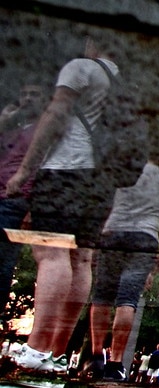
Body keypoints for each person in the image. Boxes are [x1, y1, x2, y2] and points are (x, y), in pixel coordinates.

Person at [6, 31, 119, 373]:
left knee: (51, 252)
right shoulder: (121, 79)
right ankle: (56, 351)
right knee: (81, 258)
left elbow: (55, 117)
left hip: (65, 172)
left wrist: (25, 169)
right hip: (102, 181)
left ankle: (38, 347)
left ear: (91, 38)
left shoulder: (80, 68)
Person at [83, 160, 159, 381]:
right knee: (127, 300)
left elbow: (103, 205)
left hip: (112, 233)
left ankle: (97, 355)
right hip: (145, 238)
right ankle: (116, 363)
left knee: (102, 297)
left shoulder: (121, 169)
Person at [0, 81, 48, 311]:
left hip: (15, 201)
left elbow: (44, 170)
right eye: (24, 94)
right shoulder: (10, 128)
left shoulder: (44, 129)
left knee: (3, 262)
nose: (28, 98)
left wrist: (31, 208)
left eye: (34, 94)